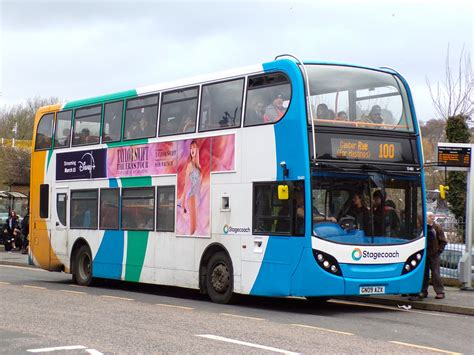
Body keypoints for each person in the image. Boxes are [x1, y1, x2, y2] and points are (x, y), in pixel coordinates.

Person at [410, 212, 447, 300]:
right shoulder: (422, 227)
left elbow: (443, 241)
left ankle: (440, 292)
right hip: (424, 253)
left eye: (432, 216)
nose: (432, 218)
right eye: (430, 216)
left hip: (434, 254)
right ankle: (423, 291)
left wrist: (439, 251)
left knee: (435, 273)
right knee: (424, 273)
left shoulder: (437, 227)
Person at [179, 140, 201, 235]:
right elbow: (186, 184)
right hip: (191, 197)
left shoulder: (199, 166)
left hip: (197, 197)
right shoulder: (190, 166)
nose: (192, 150)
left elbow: (199, 185)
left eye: (194, 147)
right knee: (193, 227)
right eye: (190, 148)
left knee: (195, 227)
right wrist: (183, 202)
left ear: (197, 149)